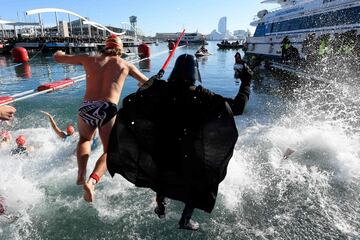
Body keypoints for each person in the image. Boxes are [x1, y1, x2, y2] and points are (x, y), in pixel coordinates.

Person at [86, 54, 253, 230]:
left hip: (163, 148)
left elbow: (138, 97)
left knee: (161, 175)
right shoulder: (203, 96)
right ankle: (185, 219)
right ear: (195, 73)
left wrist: (154, 81)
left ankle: (160, 207)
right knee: (200, 180)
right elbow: (238, 107)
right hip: (189, 152)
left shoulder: (160, 89)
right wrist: (246, 82)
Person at [53, 34, 148, 185]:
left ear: (105, 47)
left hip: (87, 107)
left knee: (85, 140)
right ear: (120, 49)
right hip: (107, 109)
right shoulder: (126, 65)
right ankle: (92, 182)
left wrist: (59, 53)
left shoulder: (88, 58)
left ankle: (81, 174)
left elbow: (59, 58)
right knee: (109, 150)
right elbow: (148, 83)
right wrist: (143, 85)